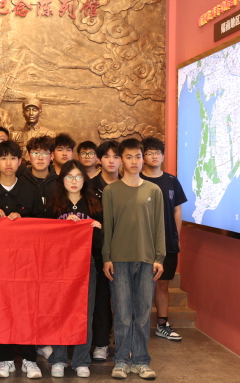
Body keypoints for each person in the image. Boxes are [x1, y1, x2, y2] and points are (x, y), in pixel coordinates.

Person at [0, 140, 44, 379]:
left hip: (26, 264)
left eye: (13, 158)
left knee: (26, 310)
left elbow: (44, 225)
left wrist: (24, 220)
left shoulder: (30, 191)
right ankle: (5, 359)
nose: (8, 163)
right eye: (3, 158)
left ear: (20, 161)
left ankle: (29, 360)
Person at [102, 138, 165, 380]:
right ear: (121, 160)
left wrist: (159, 257)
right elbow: (108, 227)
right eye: (129, 157)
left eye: (138, 156)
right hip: (119, 260)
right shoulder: (111, 191)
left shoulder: (153, 190)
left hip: (147, 259)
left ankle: (140, 360)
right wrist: (107, 257)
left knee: (142, 314)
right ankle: (121, 360)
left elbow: (159, 226)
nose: (134, 161)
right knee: (122, 312)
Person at [48, 160, 103, 378]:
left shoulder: (94, 204)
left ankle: (81, 360)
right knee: (59, 312)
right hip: (58, 267)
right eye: (69, 177)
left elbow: (100, 241)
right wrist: (61, 226)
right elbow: (43, 237)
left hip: (85, 265)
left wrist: (94, 228)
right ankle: (59, 359)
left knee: (84, 313)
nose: (74, 181)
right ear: (62, 180)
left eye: (78, 177)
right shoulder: (54, 205)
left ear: (84, 180)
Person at [141, 136, 187, 342]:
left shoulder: (171, 181)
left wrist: (176, 236)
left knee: (163, 285)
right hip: (142, 243)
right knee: (139, 286)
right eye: (149, 153)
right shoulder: (136, 179)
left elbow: (177, 210)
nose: (154, 156)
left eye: (157, 153)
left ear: (163, 156)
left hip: (167, 242)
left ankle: (162, 325)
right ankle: (136, 328)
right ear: (143, 156)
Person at [88, 140, 121, 362]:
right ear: (99, 159)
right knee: (100, 298)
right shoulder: (89, 187)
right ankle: (101, 342)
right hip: (98, 251)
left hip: (124, 250)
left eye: (116, 156)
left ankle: (122, 341)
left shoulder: (129, 185)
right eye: (107, 156)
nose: (111, 161)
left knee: (123, 300)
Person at [20, 135, 58, 217]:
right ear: (28, 156)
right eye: (36, 153)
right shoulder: (20, 182)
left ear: (52, 156)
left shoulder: (60, 182)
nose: (40, 158)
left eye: (45, 153)